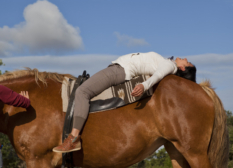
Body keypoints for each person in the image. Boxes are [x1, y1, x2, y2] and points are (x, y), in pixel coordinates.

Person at [53, 52, 196, 153]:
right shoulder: (167, 62)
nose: (185, 58)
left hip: (120, 71)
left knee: (82, 92)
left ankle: (73, 139)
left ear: (183, 68)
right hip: (119, 69)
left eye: (187, 62)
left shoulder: (170, 66)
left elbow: (158, 75)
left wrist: (144, 85)